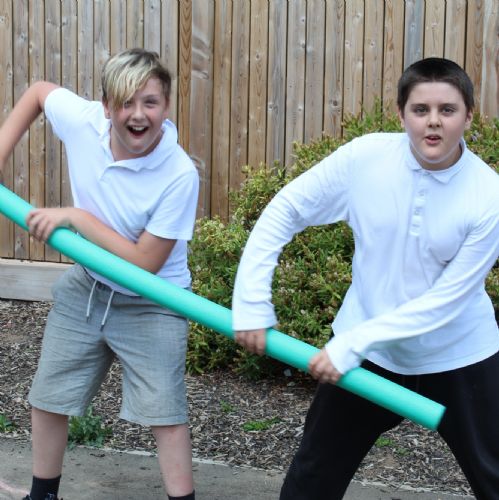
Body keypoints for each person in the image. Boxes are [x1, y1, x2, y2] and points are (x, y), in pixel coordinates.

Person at [232, 57, 499, 499]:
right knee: (310, 483)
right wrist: (251, 300)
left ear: (469, 116)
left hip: (458, 354)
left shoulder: (488, 194)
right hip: (370, 354)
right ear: (401, 114)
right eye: (420, 109)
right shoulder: (365, 158)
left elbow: (448, 300)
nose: (433, 121)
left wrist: (353, 342)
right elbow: (286, 210)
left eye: (448, 110)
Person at [0, 48, 199, 500]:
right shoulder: (85, 123)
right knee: (48, 398)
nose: (138, 114)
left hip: (154, 300)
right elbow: (39, 93)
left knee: (164, 415)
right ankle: (42, 495)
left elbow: (144, 264)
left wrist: (77, 219)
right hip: (88, 287)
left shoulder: (178, 174)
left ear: (166, 107)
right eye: (125, 103)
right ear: (106, 107)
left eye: (150, 102)